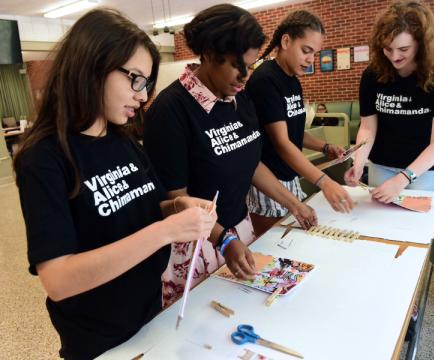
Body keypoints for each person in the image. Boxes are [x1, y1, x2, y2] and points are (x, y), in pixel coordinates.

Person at [13, 9, 217, 360]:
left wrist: (177, 208)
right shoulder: (44, 157)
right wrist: (166, 231)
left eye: (147, 83)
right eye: (135, 79)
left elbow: (142, 208)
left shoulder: (122, 139)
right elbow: (58, 280)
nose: (142, 95)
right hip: (99, 337)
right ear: (93, 66)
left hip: (151, 310)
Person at [143, 4, 316, 307]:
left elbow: (248, 162)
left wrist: (294, 204)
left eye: (250, 66)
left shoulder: (239, 97)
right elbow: (175, 200)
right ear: (209, 53)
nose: (245, 76)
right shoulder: (170, 111)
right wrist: (224, 239)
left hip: (239, 233)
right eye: (238, 66)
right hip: (197, 245)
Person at [245, 10, 355, 236]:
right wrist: (324, 182)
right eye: (306, 51)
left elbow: (295, 133)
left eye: (314, 54)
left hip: (289, 176)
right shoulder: (265, 80)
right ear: (286, 41)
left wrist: (325, 147)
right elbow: (282, 143)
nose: (310, 60)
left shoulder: (293, 81)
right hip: (268, 181)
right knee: (273, 245)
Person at [344, 0, 434, 202]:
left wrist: (402, 179)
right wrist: (358, 162)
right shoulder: (372, 75)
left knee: (413, 226)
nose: (394, 56)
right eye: (387, 49)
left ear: (421, 44)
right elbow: (368, 128)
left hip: (427, 168)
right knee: (381, 219)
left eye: (403, 49)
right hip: (382, 162)